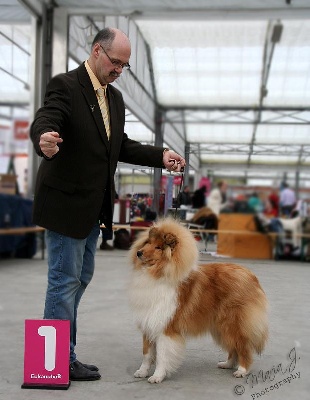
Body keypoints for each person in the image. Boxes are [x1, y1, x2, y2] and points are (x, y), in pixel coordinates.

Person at [30, 27, 185, 382]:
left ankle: (60, 354)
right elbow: (48, 117)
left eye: (125, 66)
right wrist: (44, 139)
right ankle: (55, 362)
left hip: (93, 209)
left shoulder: (114, 100)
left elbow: (121, 146)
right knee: (63, 281)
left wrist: (162, 155)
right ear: (97, 51)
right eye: (116, 62)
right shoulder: (66, 86)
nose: (119, 69)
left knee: (79, 278)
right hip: (67, 207)